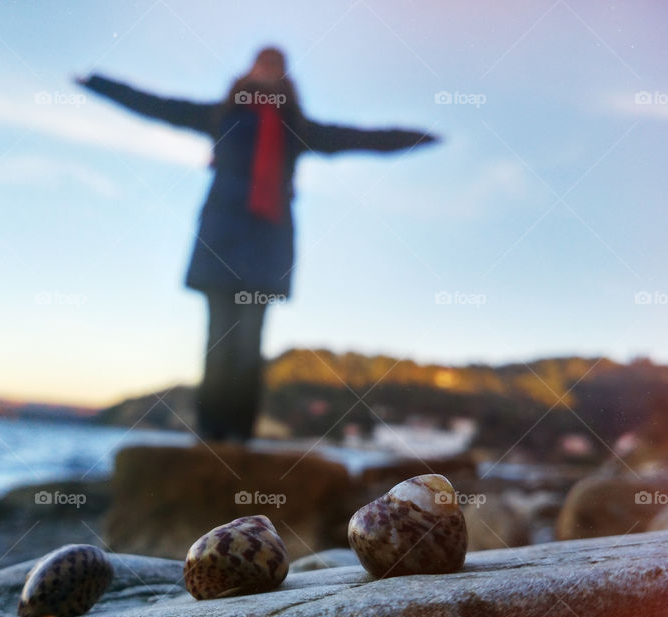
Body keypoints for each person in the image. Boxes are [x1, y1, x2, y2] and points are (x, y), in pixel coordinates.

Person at [76, 47, 440, 442]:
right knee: (218, 340)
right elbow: (158, 106)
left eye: (276, 64)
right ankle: (211, 435)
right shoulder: (222, 116)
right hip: (221, 240)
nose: (267, 69)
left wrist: (415, 137)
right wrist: (98, 84)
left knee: (249, 343)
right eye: (262, 62)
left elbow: (357, 138)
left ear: (285, 77)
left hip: (267, 245)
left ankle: (239, 436)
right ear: (250, 69)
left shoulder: (294, 128)